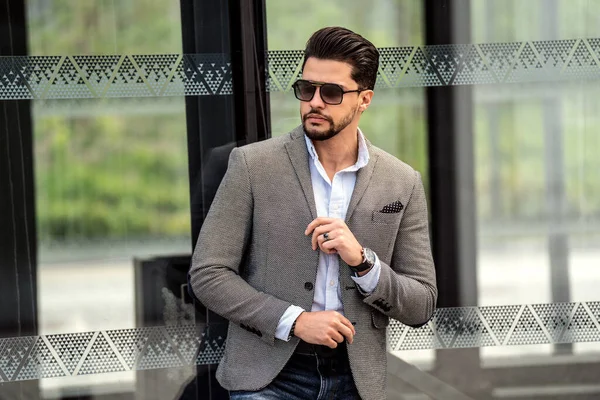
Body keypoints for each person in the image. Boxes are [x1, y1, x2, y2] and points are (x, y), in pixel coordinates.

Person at [189, 26, 437, 400]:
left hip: (356, 381)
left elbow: (421, 303)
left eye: (332, 92)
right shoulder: (253, 166)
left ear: (364, 99)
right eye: (307, 89)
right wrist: (295, 321)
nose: (315, 102)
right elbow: (208, 274)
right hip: (268, 378)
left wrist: (363, 262)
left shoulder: (401, 182)